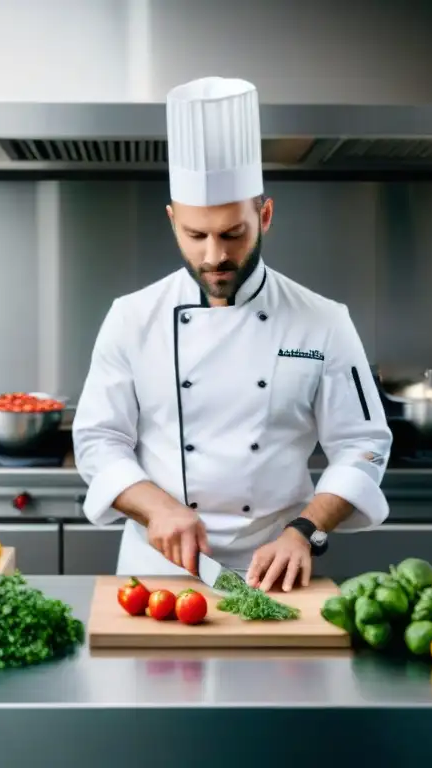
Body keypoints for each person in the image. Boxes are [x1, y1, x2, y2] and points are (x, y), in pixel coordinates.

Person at [73, 76, 393, 592]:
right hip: (158, 574)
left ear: (264, 216)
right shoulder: (132, 318)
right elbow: (97, 440)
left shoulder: (324, 320)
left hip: (280, 570)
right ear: (172, 220)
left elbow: (362, 444)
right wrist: (157, 509)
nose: (214, 256)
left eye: (233, 234)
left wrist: (304, 531)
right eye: (195, 235)